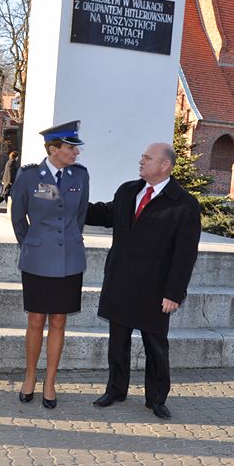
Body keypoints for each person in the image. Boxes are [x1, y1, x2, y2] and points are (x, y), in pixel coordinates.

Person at [86, 142, 201, 420]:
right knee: (118, 342)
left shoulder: (183, 204)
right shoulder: (128, 191)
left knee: (156, 346)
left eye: (147, 158)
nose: (141, 161)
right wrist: (69, 201)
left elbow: (185, 255)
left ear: (165, 166)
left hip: (155, 289)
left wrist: (174, 293)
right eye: (141, 157)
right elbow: (104, 214)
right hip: (121, 282)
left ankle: (156, 398)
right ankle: (116, 389)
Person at [10, 121, 89, 409]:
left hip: (69, 260)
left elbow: (79, 215)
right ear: (54, 149)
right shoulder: (30, 176)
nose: (76, 153)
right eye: (71, 148)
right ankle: (30, 377)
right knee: (36, 320)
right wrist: (31, 244)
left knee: (59, 321)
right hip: (37, 259)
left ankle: (50, 381)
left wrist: (67, 241)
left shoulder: (80, 176)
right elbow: (18, 217)